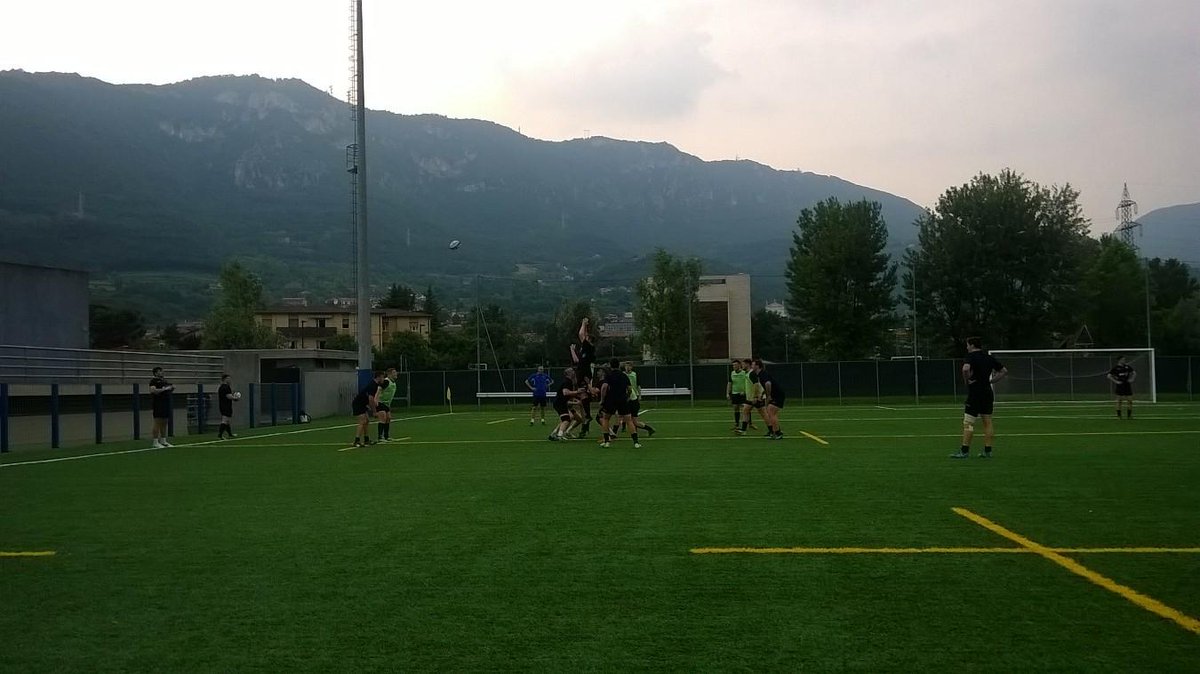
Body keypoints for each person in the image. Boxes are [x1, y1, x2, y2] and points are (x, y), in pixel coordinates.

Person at [952, 337, 1008, 459]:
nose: (967, 347)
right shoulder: (988, 357)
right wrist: (992, 381)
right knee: (987, 422)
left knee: (968, 422)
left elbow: (965, 368)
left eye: (967, 345)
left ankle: (964, 450)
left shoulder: (970, 356)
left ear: (972, 345)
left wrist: (967, 380)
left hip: (975, 392)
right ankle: (988, 451)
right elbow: (1004, 371)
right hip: (987, 392)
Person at [599, 358, 640, 448]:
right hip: (622, 399)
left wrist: (602, 399)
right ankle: (636, 442)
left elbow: (604, 387)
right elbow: (629, 389)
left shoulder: (609, 376)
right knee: (629, 420)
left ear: (610, 365)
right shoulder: (624, 376)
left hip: (610, 399)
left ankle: (607, 442)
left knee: (606, 419)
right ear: (619, 365)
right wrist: (628, 397)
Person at [620, 361, 655, 437]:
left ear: (632, 367)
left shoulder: (635, 374)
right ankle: (629, 430)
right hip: (627, 397)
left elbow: (638, 385)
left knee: (632, 420)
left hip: (633, 398)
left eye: (629, 366)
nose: (627, 367)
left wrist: (639, 395)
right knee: (627, 417)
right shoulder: (622, 375)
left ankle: (647, 430)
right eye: (626, 366)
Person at [351, 371, 385, 448]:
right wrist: (374, 411)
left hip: (363, 404)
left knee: (367, 421)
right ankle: (356, 440)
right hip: (358, 404)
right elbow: (371, 399)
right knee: (362, 421)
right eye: (383, 377)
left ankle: (366, 439)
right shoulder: (373, 385)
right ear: (379, 377)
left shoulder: (375, 385)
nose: (383, 379)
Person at [753, 358, 785, 439]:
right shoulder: (760, 374)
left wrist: (768, 395)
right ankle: (776, 431)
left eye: (753, 365)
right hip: (775, 394)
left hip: (778, 395)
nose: (751, 366)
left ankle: (778, 433)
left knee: (771, 412)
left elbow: (768, 383)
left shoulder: (762, 374)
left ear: (757, 366)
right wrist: (762, 394)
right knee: (769, 412)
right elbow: (766, 385)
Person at [548, 368, 581, 441]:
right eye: (572, 371)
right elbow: (565, 392)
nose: (574, 372)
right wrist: (577, 392)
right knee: (566, 419)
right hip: (560, 403)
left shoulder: (569, 381)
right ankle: (560, 435)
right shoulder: (567, 381)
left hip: (561, 403)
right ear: (568, 373)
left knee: (566, 419)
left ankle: (554, 434)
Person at [149, 367, 175, 448]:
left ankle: (163, 440)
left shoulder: (164, 381)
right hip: (158, 403)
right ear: (156, 373)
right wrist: (163, 389)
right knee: (157, 421)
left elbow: (167, 389)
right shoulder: (153, 381)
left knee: (164, 421)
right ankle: (155, 441)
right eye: (160, 371)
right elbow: (153, 390)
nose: (162, 372)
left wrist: (171, 388)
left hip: (165, 403)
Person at [739, 358, 767, 435]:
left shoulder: (752, 373)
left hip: (756, 397)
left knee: (763, 414)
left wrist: (756, 396)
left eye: (743, 364)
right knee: (745, 411)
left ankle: (773, 430)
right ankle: (743, 430)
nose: (742, 366)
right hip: (750, 398)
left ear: (748, 364)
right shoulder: (747, 373)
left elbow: (756, 385)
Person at [376, 367, 399, 442]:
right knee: (383, 418)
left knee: (388, 418)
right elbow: (379, 389)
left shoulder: (393, 383)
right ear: (389, 374)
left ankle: (386, 436)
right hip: (380, 402)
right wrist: (376, 399)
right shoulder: (386, 381)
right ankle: (380, 437)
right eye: (394, 372)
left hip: (386, 404)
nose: (396, 374)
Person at [727, 359, 749, 431]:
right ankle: (736, 424)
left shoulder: (744, 373)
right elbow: (730, 383)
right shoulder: (732, 373)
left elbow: (748, 383)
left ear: (739, 365)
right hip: (735, 393)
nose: (734, 366)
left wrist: (745, 391)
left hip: (743, 393)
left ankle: (749, 423)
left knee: (746, 408)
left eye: (735, 365)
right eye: (733, 365)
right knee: (736, 408)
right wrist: (727, 393)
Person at [216, 373, 240, 440]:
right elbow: (228, 396)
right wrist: (235, 398)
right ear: (225, 379)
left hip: (223, 405)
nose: (230, 380)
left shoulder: (221, 387)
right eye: (229, 379)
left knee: (227, 421)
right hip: (225, 406)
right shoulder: (226, 387)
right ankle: (220, 435)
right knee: (225, 420)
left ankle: (230, 434)